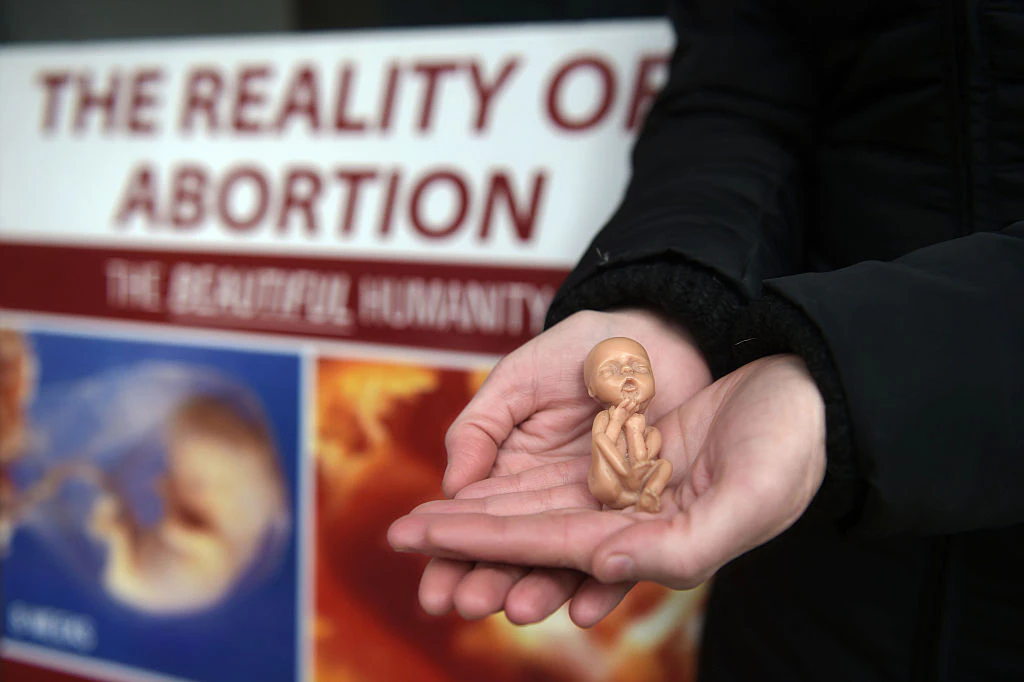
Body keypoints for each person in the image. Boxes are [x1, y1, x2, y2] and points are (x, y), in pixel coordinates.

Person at [388, 1, 1024, 679]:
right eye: (620, 373)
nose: (631, 381)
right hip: (802, 561)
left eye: (634, 368)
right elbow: (739, 96)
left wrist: (847, 381)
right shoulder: (622, 423)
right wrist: (669, 296)